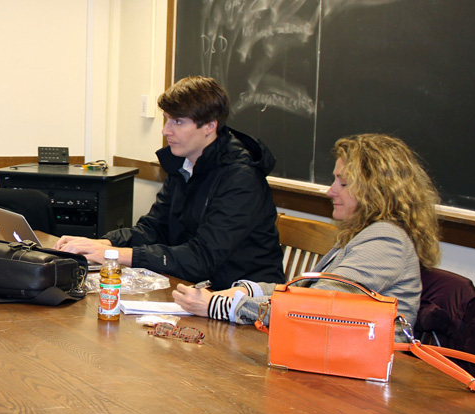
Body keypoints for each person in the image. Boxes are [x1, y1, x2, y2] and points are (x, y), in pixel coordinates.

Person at [173, 134, 440, 339]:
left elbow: (312, 307)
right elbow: (305, 292)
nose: (330, 191)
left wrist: (222, 305)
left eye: (344, 183)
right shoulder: (363, 232)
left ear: (377, 190)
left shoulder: (384, 240)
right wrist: (248, 289)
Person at [56, 76, 283, 289]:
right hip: (197, 290)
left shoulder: (241, 178)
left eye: (178, 122)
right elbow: (155, 228)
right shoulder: (183, 164)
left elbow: (202, 258)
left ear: (209, 126)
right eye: (166, 119)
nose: (166, 131)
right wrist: (104, 243)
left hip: (242, 302)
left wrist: (115, 255)